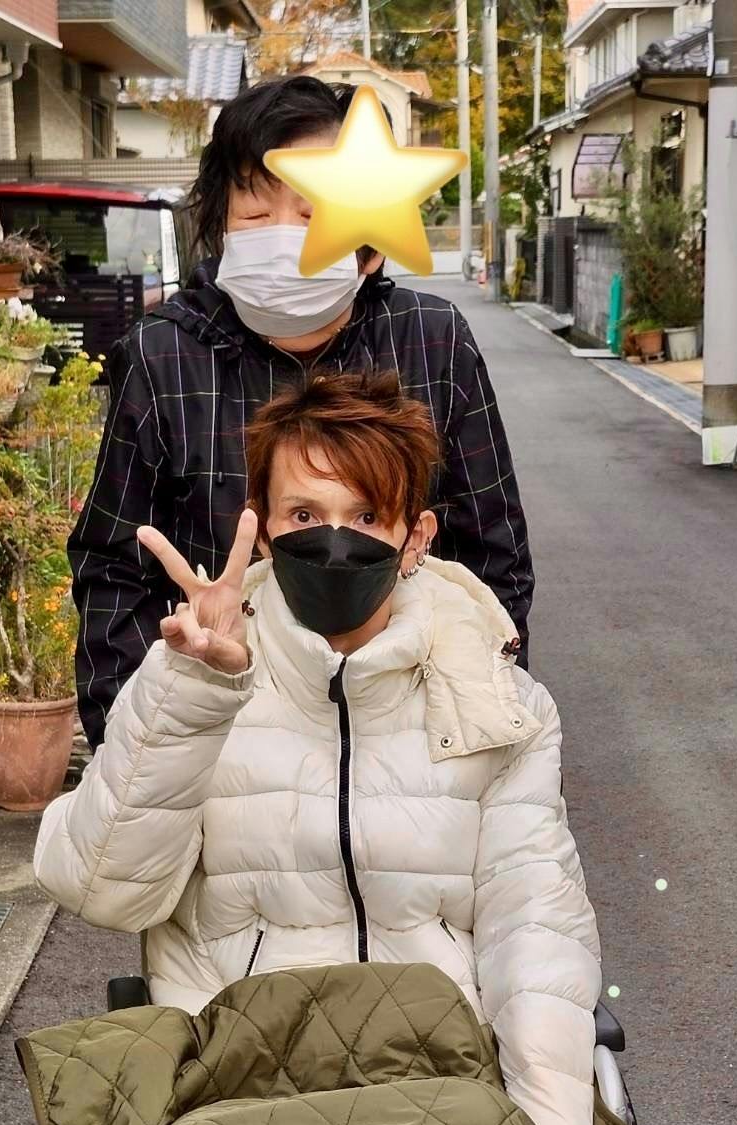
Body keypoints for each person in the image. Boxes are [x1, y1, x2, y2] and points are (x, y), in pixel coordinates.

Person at [35, 372, 608, 1125]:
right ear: (258, 523)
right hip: (244, 1087)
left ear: (415, 536)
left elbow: (535, 939)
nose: (332, 539)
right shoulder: (196, 673)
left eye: (365, 515)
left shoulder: (497, 706)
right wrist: (189, 695)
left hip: (438, 1087)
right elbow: (101, 886)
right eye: (303, 512)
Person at [68, 73, 533, 750]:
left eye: (312, 214)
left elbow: (493, 553)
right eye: (256, 216)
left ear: (371, 241)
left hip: (406, 747)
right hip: (225, 741)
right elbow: (113, 566)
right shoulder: (163, 356)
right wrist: (140, 742)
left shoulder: (431, 342)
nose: (282, 237)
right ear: (221, 225)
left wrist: (485, 724)